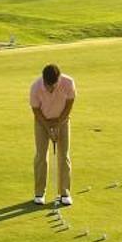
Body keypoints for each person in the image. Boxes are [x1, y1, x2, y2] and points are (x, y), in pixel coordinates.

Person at [29, 63, 77, 206]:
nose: (50, 89)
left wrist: (58, 124)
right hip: (42, 121)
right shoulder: (36, 87)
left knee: (64, 155)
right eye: (47, 85)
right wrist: (49, 128)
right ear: (43, 80)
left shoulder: (68, 83)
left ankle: (64, 193)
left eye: (53, 86)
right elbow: (36, 110)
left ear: (59, 80)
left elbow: (70, 103)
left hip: (62, 120)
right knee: (41, 156)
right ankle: (39, 193)